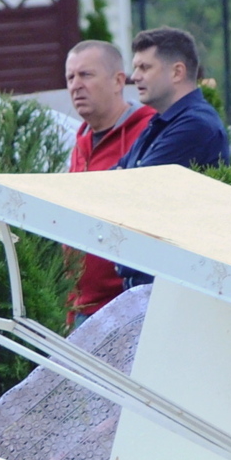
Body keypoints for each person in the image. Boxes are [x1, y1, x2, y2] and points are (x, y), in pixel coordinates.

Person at [61, 40, 156, 319]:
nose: (76, 85)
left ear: (118, 81)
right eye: (70, 77)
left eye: (86, 75)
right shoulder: (81, 141)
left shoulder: (148, 131)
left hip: (127, 307)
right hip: (79, 308)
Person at [119, 26, 230, 172]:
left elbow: (139, 182)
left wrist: (123, 176)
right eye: (135, 68)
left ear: (177, 72)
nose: (134, 77)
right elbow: (113, 179)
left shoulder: (195, 125)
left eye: (144, 67)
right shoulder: (161, 123)